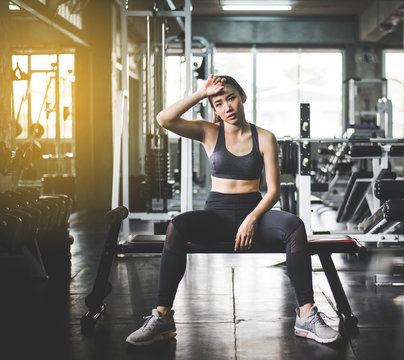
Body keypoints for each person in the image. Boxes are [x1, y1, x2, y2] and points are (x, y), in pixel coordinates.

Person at [126, 75, 340, 346]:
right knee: (177, 226)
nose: (227, 106)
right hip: (217, 215)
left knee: (294, 226)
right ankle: (162, 316)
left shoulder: (264, 137)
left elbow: (273, 190)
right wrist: (201, 93)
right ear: (214, 108)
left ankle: (306, 316)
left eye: (231, 98)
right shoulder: (208, 132)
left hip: (254, 214)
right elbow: (164, 119)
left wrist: (252, 219)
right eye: (218, 103)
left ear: (243, 98)